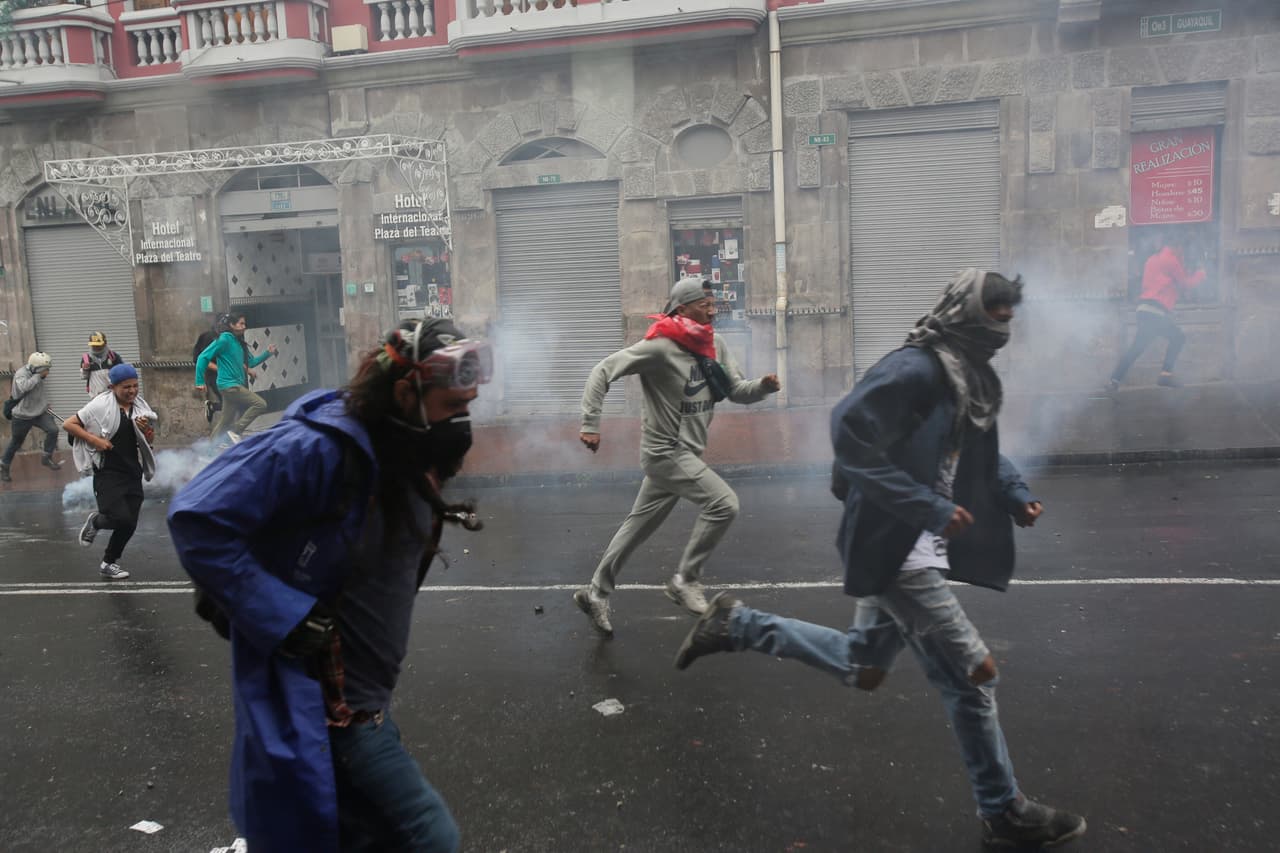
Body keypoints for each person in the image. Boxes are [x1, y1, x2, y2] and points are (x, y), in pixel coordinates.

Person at [672, 270, 1087, 850]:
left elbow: (975, 445)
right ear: (965, 311)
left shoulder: (966, 375)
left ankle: (735, 624)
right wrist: (924, 506)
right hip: (896, 546)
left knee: (863, 667)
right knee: (974, 677)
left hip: (915, 538)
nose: (1004, 325)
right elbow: (847, 426)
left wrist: (1014, 493)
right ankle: (1004, 810)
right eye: (995, 311)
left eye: (1009, 313)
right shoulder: (915, 367)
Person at [168, 318, 492, 853]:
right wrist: (283, 613)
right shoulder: (319, 448)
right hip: (330, 714)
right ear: (406, 391)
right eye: (452, 408)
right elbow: (197, 516)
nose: (462, 422)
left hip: (364, 704)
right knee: (430, 837)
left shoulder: (402, 444)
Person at [573, 277, 781, 637]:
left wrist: (762, 388)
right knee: (723, 504)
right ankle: (685, 581)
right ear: (682, 309)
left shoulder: (714, 343)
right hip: (665, 452)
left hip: (685, 453)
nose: (712, 309)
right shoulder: (659, 347)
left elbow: (735, 391)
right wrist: (590, 422)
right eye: (705, 303)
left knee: (636, 528)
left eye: (714, 303)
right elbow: (602, 371)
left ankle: (595, 593)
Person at [64, 363, 157, 581]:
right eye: (126, 387)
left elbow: (149, 440)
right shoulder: (99, 405)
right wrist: (95, 440)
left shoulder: (140, 407)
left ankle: (109, 562)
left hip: (131, 470)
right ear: (112, 387)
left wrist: (146, 431)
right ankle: (96, 522)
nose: (132, 391)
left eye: (135, 386)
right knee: (119, 517)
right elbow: (69, 424)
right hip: (107, 471)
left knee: (130, 522)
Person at [1107, 242, 1206, 390]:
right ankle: (1165, 375)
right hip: (1155, 311)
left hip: (1144, 310)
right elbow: (1186, 283)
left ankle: (1114, 380)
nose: (1184, 255)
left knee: (1137, 348)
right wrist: (1201, 274)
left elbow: (1164, 284)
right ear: (1177, 247)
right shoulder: (1171, 260)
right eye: (1183, 251)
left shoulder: (1152, 259)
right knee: (1178, 337)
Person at [194, 312, 278, 444]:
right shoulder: (224, 339)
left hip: (232, 386)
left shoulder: (239, 343)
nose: (244, 326)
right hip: (230, 386)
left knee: (224, 421)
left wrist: (268, 353)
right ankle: (235, 431)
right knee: (260, 404)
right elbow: (202, 357)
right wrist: (199, 381)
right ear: (232, 325)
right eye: (241, 323)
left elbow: (251, 363)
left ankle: (208, 452)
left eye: (245, 323)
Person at [1, 351, 63, 483]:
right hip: (22, 415)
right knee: (16, 442)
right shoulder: (21, 374)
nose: (47, 372)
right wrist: (38, 376)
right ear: (35, 367)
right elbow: (24, 387)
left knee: (53, 430)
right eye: (44, 369)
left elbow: (39, 392)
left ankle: (46, 457)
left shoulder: (39, 374)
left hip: (39, 412)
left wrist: (45, 404)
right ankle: (4, 466)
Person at [193, 316, 228, 424]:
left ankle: (213, 407)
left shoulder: (226, 338)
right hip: (214, 376)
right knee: (228, 403)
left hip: (226, 376)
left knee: (231, 403)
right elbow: (201, 359)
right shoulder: (209, 337)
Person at [80, 331, 124, 397]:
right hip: (95, 395)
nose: (95, 347)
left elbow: (122, 374)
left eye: (98, 345)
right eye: (93, 345)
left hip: (112, 394)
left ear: (105, 343)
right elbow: (84, 377)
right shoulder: (86, 358)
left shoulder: (113, 356)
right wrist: (85, 369)